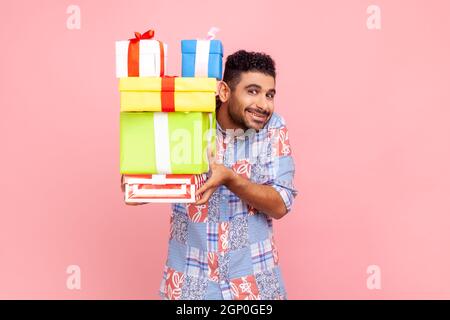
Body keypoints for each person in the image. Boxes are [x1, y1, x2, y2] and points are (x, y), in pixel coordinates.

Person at [124, 50, 298, 300]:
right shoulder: (187, 123)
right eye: (252, 91)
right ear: (225, 92)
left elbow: (281, 204)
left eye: (269, 94)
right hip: (190, 285)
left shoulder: (274, 128)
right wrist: (138, 179)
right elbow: (135, 194)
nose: (264, 104)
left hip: (255, 286)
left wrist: (230, 178)